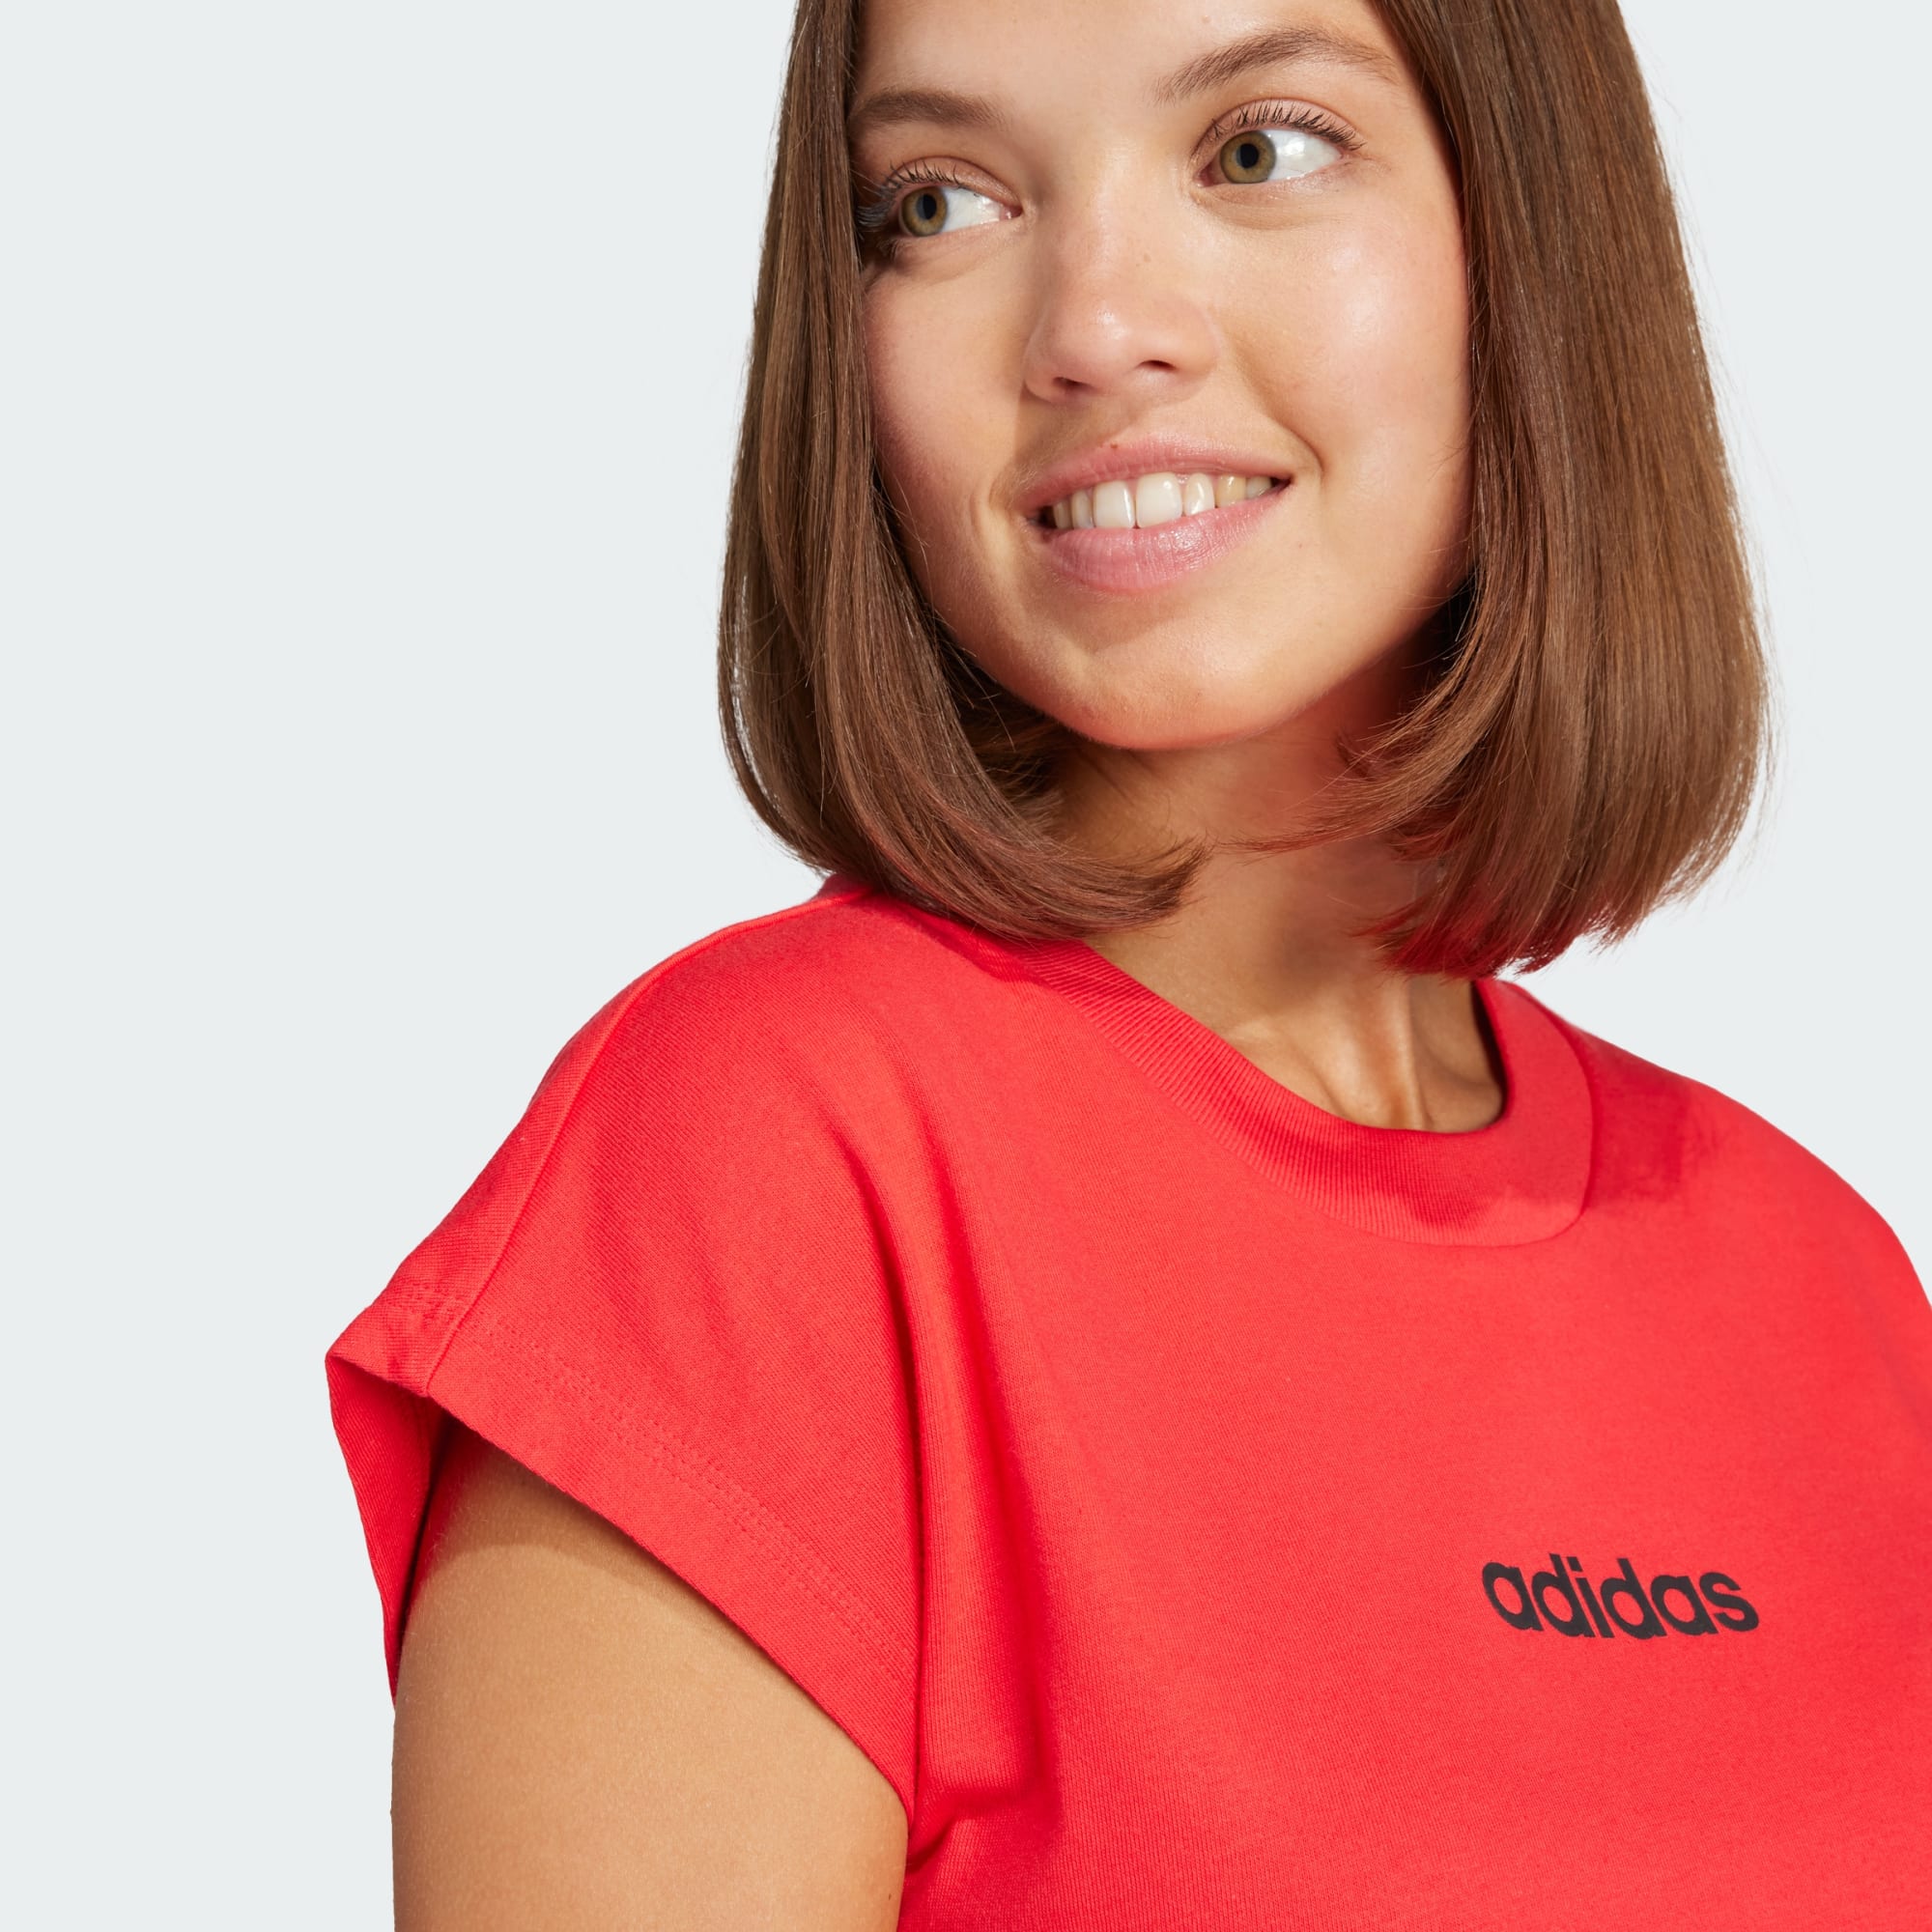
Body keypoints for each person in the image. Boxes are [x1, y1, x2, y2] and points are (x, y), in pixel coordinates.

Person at [325, 0, 1932, 1923]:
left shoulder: (1815, 1272)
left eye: (1257, 150)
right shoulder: (771, 1164)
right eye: (937, 201)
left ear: (1533, 227)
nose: (1090, 325)